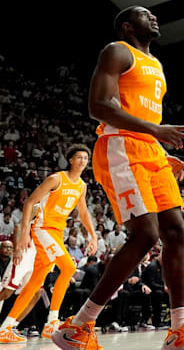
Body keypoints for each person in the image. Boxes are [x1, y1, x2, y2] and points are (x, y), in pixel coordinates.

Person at [53, 6, 184, 350]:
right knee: (145, 235)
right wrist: (153, 131)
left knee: (176, 232)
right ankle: (78, 326)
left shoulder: (156, 64)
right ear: (127, 25)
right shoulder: (117, 51)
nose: (154, 17)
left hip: (148, 149)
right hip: (120, 146)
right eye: (145, 15)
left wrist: (157, 146)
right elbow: (98, 106)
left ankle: (179, 332)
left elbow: (140, 111)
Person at [0, 145, 97, 343]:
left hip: (57, 233)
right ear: (70, 160)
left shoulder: (82, 186)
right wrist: (25, 232)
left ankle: (6, 327)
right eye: (79, 157)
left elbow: (84, 212)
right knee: (69, 268)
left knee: (36, 282)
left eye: (86, 158)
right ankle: (52, 321)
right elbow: (29, 202)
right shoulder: (56, 178)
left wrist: (93, 235)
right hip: (43, 229)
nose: (82, 161)